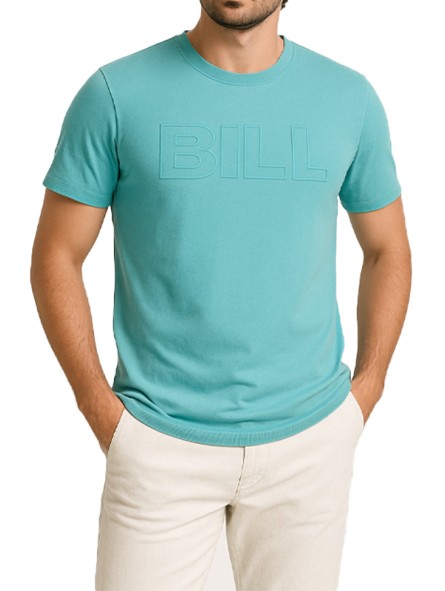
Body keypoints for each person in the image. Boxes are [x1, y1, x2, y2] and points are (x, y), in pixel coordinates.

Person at [30, 0, 412, 589]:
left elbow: (388, 249)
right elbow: (56, 254)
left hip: (309, 442)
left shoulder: (349, 99)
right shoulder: (114, 94)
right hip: (157, 440)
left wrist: (368, 389)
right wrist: (98, 407)